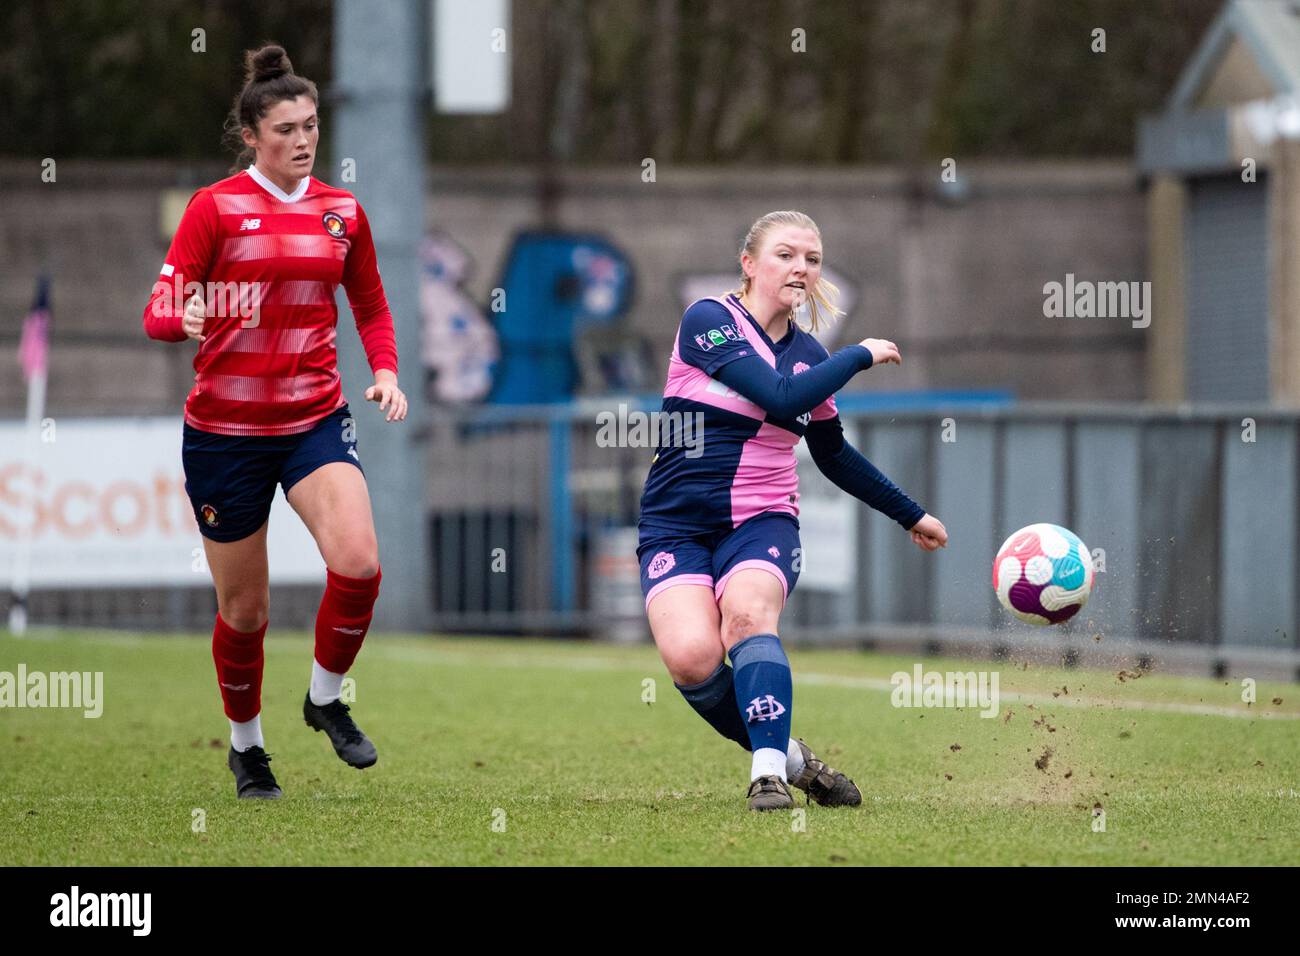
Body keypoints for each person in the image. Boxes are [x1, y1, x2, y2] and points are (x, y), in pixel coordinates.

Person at [141, 45, 408, 800]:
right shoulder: (214, 208)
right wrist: (182, 314)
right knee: (246, 610)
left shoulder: (342, 211)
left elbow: (371, 304)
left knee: (358, 561)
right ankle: (247, 748)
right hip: (225, 432)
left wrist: (384, 371)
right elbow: (159, 308)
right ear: (252, 136)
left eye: (312, 124)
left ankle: (324, 699)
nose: (303, 139)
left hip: (314, 420)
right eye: (286, 127)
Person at [637, 210, 948, 811]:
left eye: (812, 258)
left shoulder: (809, 356)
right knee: (691, 659)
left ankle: (767, 775)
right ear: (749, 265)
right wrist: (858, 353)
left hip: (762, 521)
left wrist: (910, 514)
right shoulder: (709, 321)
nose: (801, 267)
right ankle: (798, 762)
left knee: (749, 618)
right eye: (786, 254)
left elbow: (832, 455)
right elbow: (779, 395)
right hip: (674, 523)